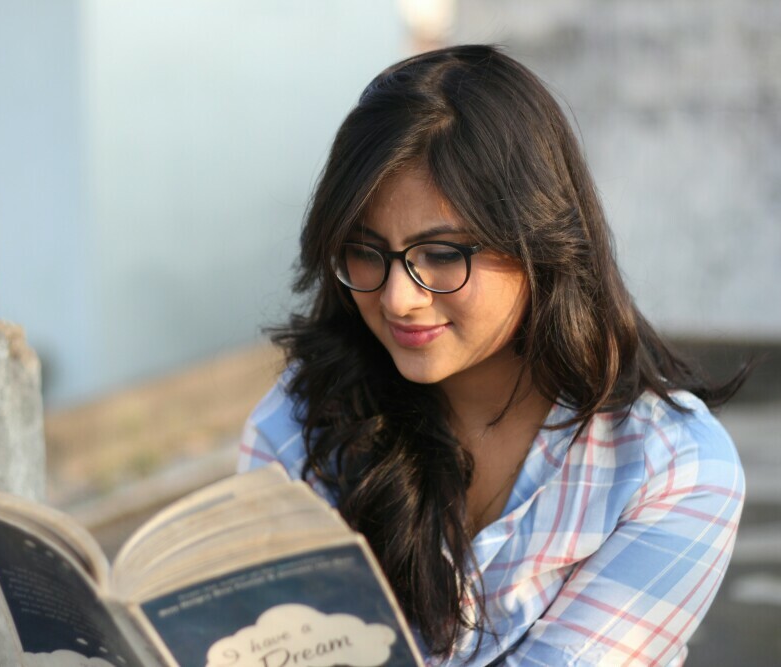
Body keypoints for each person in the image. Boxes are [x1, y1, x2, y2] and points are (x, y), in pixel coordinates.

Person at [236, 45, 747, 666]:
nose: (399, 298)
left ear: (539, 239)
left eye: (443, 254)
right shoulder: (299, 427)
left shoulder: (672, 472)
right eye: (366, 251)